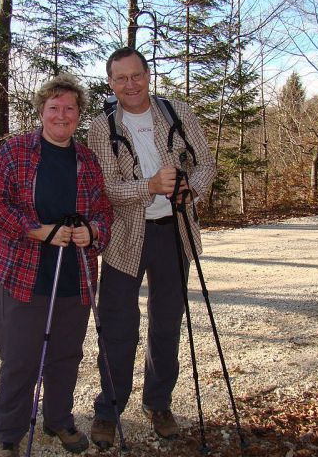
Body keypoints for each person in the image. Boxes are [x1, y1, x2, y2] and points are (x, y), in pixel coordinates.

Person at [87, 47, 216, 449]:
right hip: (127, 236)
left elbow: (207, 164)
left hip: (174, 232)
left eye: (136, 76)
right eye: (120, 78)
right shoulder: (100, 126)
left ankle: (158, 403)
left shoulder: (177, 112)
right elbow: (106, 189)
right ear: (110, 83)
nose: (130, 85)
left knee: (167, 323)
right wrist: (150, 186)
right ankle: (108, 409)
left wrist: (187, 189)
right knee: (117, 326)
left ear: (148, 74)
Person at [0, 73, 113, 457]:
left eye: (69, 108)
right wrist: (36, 231)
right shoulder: (16, 151)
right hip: (25, 274)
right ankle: (9, 431)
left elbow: (104, 212)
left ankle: (59, 419)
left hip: (77, 275)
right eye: (54, 107)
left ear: (78, 115)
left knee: (67, 355)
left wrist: (93, 231)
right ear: (41, 111)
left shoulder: (87, 159)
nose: (61, 114)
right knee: (20, 357)